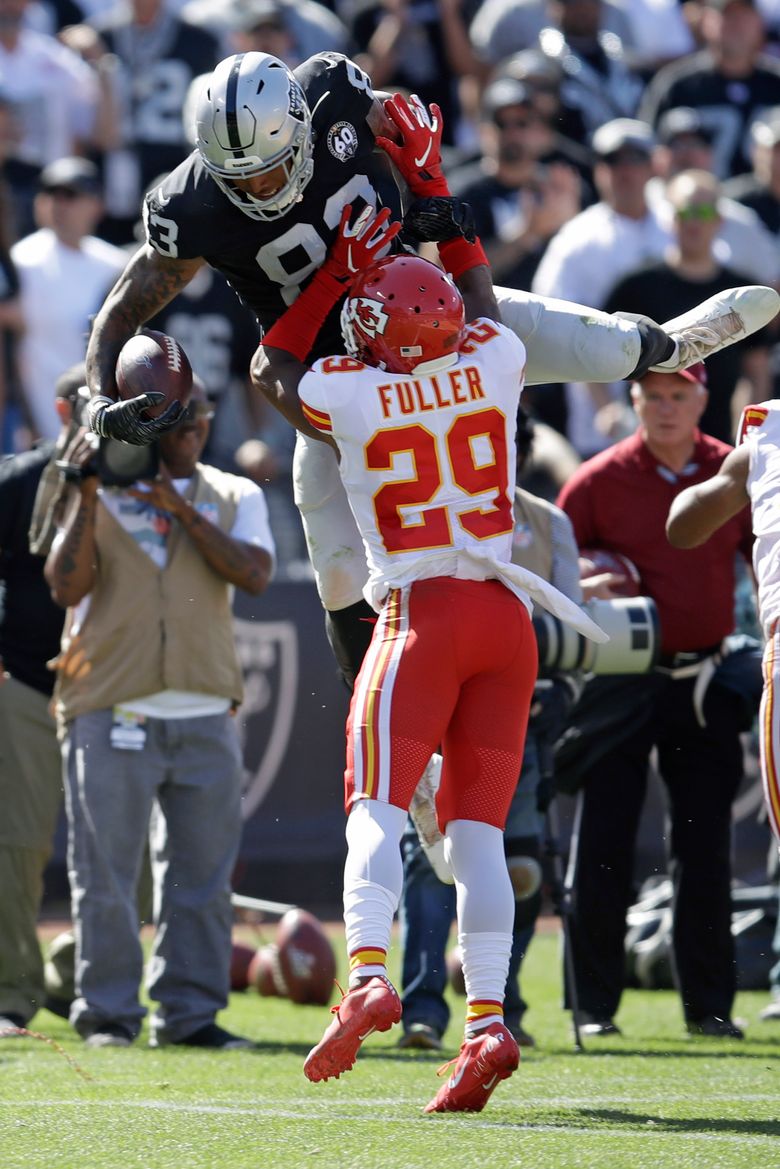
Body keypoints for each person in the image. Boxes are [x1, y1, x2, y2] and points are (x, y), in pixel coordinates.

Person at [80, 50, 775, 695]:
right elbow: (123, 315)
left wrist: (421, 170)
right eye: (242, 179)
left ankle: (664, 346)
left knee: (587, 344)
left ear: (298, 125)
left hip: (424, 311)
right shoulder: (191, 206)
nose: (261, 187)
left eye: (269, 166)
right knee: (335, 560)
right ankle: (371, 699)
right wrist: (95, 398)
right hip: (336, 374)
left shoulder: (329, 93)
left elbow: (398, 119)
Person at [250, 174, 607, 1110]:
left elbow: (271, 369)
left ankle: (369, 968)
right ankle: (486, 1021)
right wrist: (450, 216)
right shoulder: (489, 362)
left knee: (374, 806)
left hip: (422, 613)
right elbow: (482, 304)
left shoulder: (356, 393)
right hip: (504, 617)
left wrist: (331, 278)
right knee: (476, 833)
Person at [44, 378, 276, 1049]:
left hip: (204, 705)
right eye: (167, 427)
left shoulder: (236, 493)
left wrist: (178, 505)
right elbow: (65, 583)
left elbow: (255, 573)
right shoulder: (94, 485)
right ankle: (108, 1014)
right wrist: (87, 486)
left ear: (206, 424)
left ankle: (191, 1013)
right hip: (108, 701)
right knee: (105, 875)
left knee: (203, 875)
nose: (184, 437)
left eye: (192, 424)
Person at [555, 362, 755, 1039]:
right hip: (620, 675)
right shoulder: (598, 478)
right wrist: (587, 584)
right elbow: (554, 565)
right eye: (653, 395)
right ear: (631, 398)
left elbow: (766, 558)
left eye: (680, 394)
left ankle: (709, 1006)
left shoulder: (736, 470)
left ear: (703, 397)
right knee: (603, 840)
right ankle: (592, 1008)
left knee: (704, 846)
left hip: (704, 675)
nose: (666, 408)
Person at [397, 408, 584, 1052]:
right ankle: (422, 1006)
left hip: (518, 708)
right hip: (432, 710)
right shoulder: (425, 507)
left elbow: (573, 622)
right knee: (429, 862)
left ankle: (500, 1001)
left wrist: (553, 682)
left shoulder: (547, 521)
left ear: (521, 451)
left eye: (504, 442)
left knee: (522, 862)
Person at [0, 366, 85, 1036]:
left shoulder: (134, 479)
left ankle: (72, 971)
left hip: (113, 688)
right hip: (26, 679)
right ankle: (13, 992)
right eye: (89, 405)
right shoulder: (17, 478)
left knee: (142, 857)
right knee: (19, 845)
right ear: (62, 409)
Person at [603, 169, 773, 444]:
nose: (694, 222)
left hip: (718, 438)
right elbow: (594, 344)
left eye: (703, 213)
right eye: (685, 212)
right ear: (671, 218)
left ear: (719, 220)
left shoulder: (740, 293)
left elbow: (756, 370)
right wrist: (607, 408)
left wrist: (748, 431)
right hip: (648, 440)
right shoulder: (637, 285)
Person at [11, 157, 125, 443]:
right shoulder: (23, 262)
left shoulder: (115, 264)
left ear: (97, 204)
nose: (58, 203)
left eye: (70, 194)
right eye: (50, 193)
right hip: (40, 425)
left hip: (101, 418)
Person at [639, 0, 780, 179]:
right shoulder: (679, 85)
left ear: (760, 22)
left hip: (770, 204)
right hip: (698, 203)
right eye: (727, 16)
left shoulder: (776, 83)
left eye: (744, 15)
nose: (737, 25)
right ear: (706, 21)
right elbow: (647, 148)